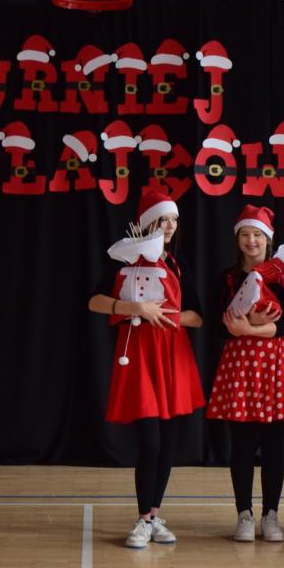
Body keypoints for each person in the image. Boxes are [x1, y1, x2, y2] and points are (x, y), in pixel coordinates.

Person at [88, 188, 205, 548]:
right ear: (146, 223)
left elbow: (197, 317)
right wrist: (137, 309)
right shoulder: (125, 259)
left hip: (171, 357)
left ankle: (154, 515)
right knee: (149, 442)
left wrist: (167, 315)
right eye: (162, 219)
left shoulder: (178, 265)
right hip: (138, 356)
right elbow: (95, 301)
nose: (169, 226)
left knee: (167, 442)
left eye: (174, 220)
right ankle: (143, 519)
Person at [206, 205, 284, 542]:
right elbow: (217, 325)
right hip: (241, 365)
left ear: (268, 239)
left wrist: (248, 329)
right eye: (245, 234)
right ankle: (244, 514)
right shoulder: (227, 278)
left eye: (257, 235)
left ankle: (271, 514)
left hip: (276, 364)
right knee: (242, 444)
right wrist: (242, 328)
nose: (252, 241)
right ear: (237, 239)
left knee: (274, 445)